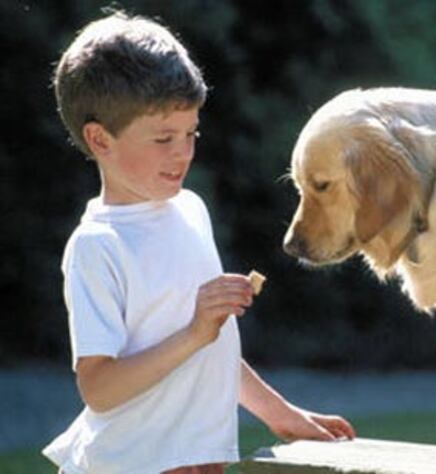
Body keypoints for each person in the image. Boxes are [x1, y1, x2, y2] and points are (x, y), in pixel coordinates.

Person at [42, 11, 355, 474]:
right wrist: (193, 332)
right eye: (163, 137)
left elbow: (214, 347)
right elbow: (99, 389)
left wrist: (281, 416)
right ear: (99, 139)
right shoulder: (97, 246)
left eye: (191, 133)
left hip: (199, 463)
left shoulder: (191, 210)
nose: (183, 152)